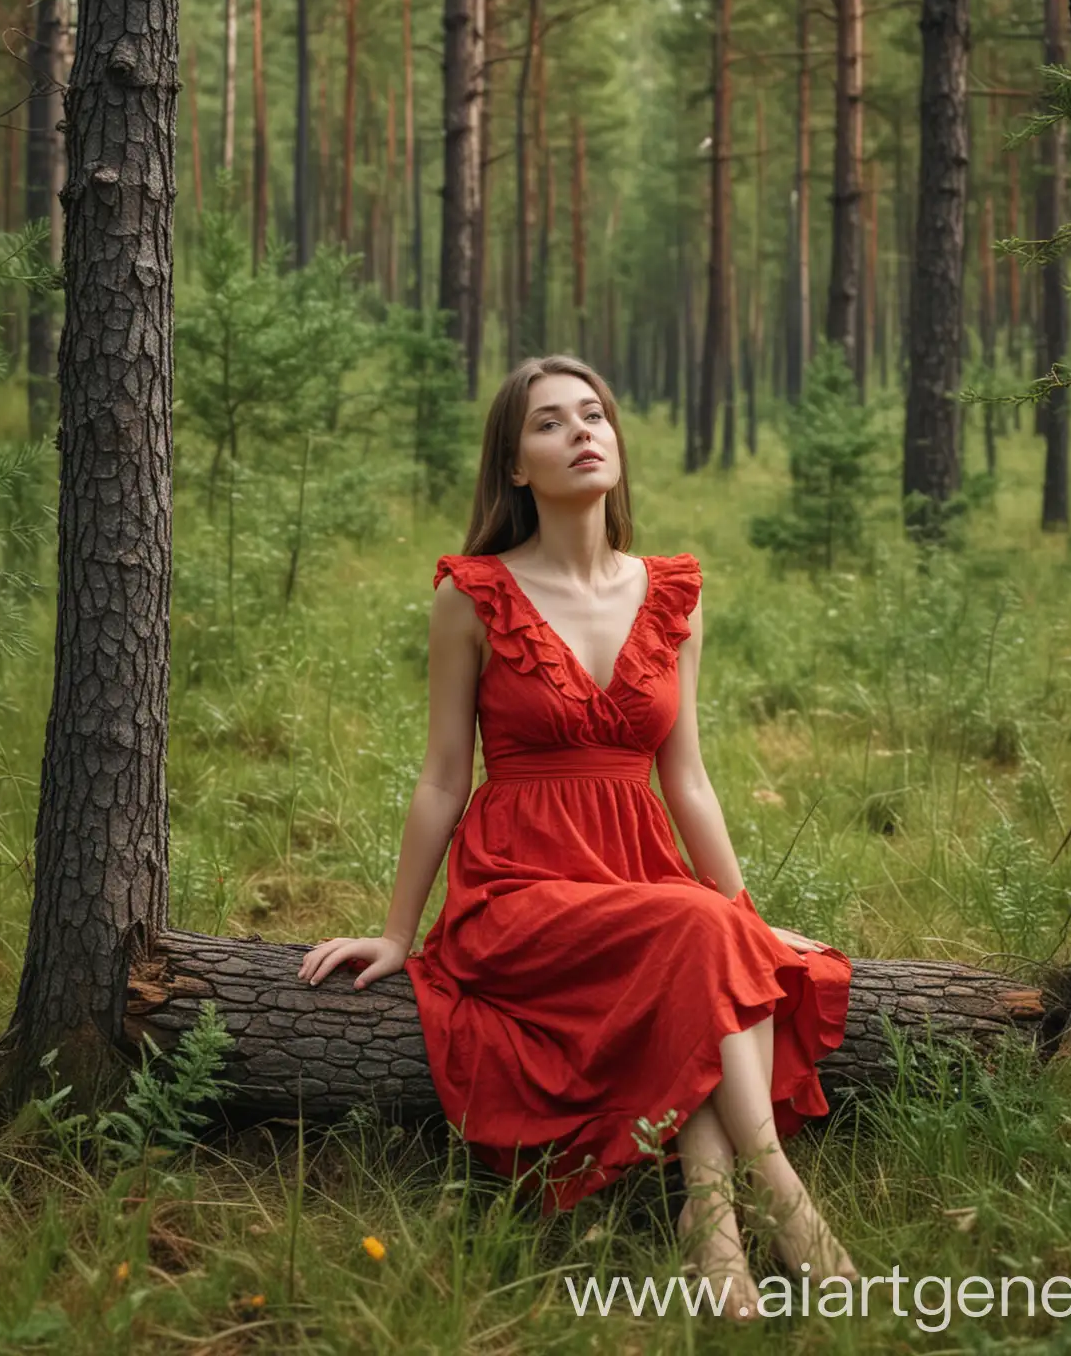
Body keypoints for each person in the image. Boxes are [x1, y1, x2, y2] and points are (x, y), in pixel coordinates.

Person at [298, 354, 858, 1317]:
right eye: (551, 423)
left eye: (594, 415)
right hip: (519, 889)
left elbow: (686, 776)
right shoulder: (472, 596)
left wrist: (746, 916)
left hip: (638, 871)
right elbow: (443, 776)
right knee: (694, 933)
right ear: (516, 466)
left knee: (705, 933)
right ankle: (785, 1202)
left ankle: (712, 1230)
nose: (582, 434)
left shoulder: (673, 594)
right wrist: (397, 933)